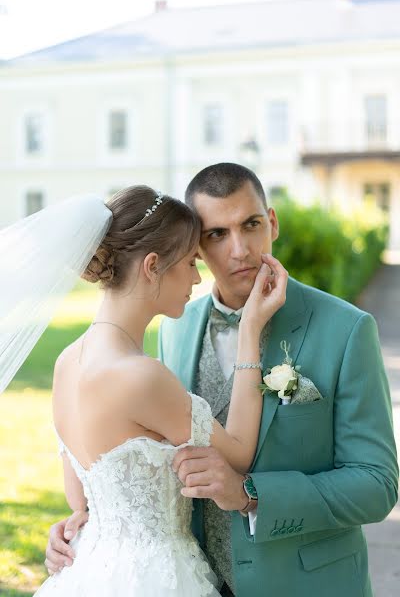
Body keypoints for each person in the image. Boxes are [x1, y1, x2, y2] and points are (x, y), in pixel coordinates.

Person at [45, 164, 399, 597]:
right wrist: (86, 527)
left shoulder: (345, 330)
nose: (239, 250)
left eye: (250, 225)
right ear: (195, 243)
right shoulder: (173, 327)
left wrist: (252, 495)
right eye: (215, 234)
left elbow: (377, 484)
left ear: (272, 223)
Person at [16, 185, 287, 596]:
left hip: (89, 570)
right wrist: (250, 329)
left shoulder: (66, 362)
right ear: (152, 265)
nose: (197, 278)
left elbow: (80, 501)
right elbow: (238, 451)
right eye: (191, 263)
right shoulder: (141, 376)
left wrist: (69, 528)